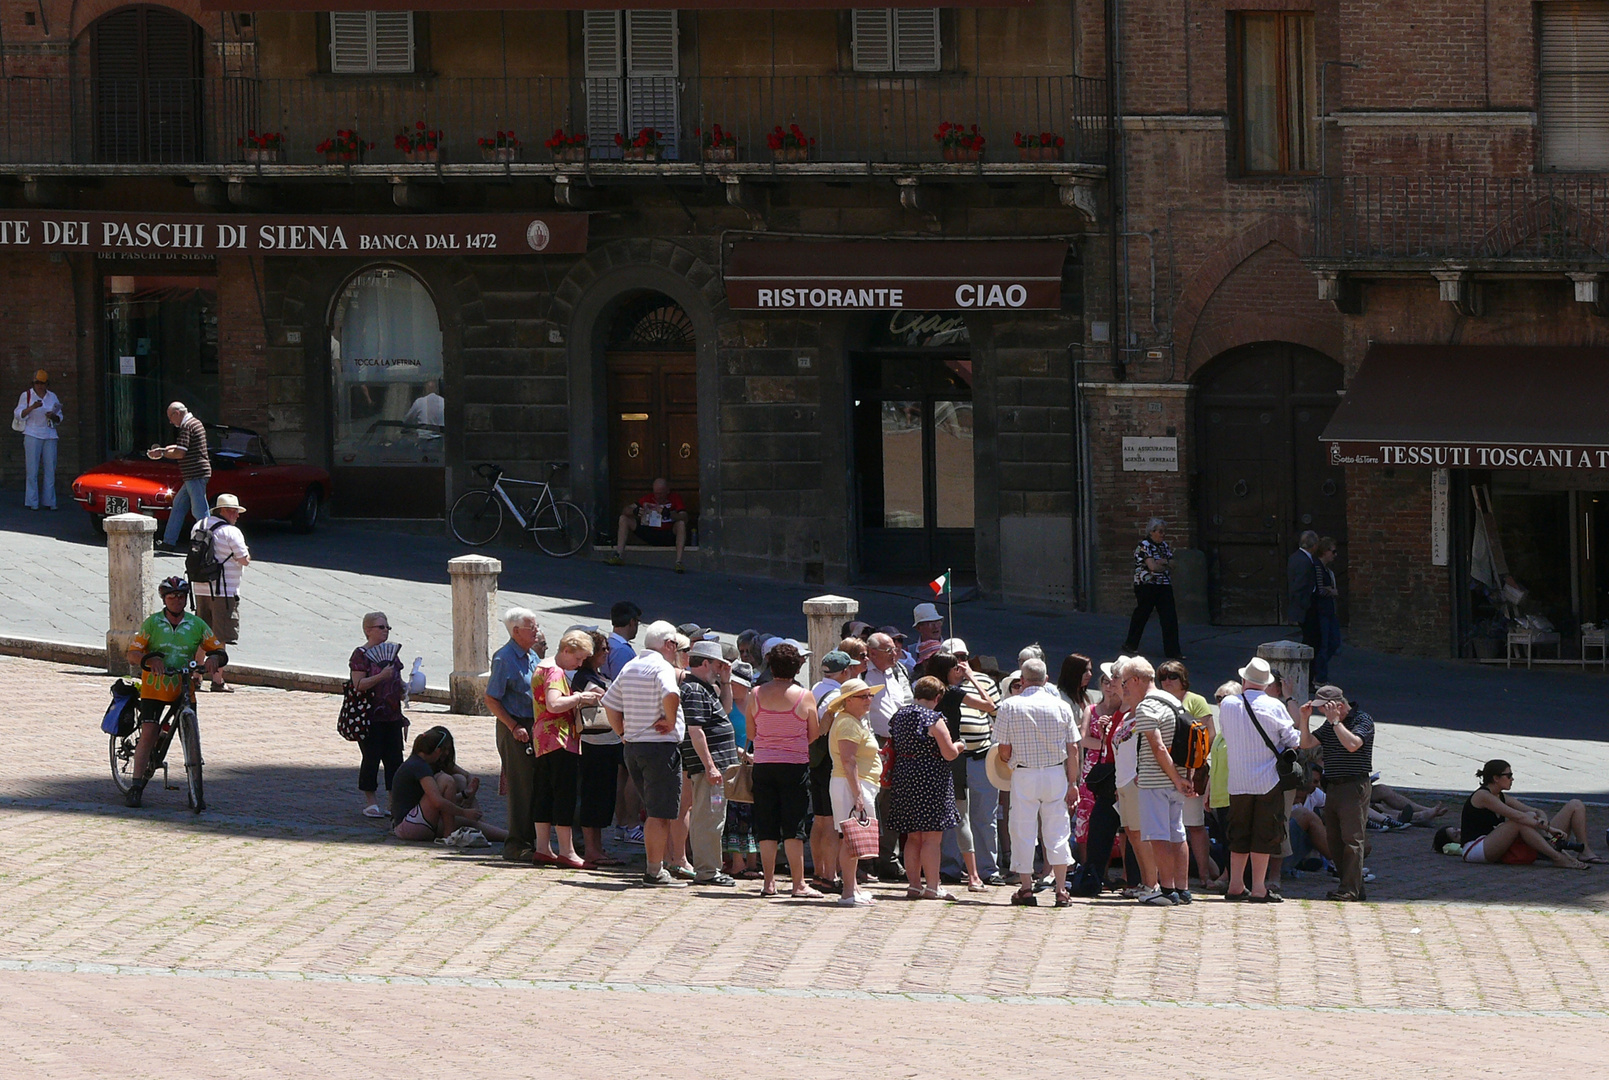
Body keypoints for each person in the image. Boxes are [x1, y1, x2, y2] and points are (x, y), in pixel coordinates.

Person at [122, 576, 227, 808]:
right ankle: (136, 786)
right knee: (149, 732)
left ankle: (195, 790)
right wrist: (150, 659)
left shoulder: (196, 624)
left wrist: (214, 658)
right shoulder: (152, 624)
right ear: (164, 599)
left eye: (181, 597)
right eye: (172, 597)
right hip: (154, 688)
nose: (177, 601)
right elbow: (132, 653)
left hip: (184, 686)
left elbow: (217, 648)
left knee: (190, 738)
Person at [601, 620, 687, 886]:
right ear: (670, 645)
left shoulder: (631, 665)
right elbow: (671, 693)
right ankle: (654, 870)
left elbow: (610, 702)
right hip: (659, 748)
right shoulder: (661, 666)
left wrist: (622, 733)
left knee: (652, 810)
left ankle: (655, 868)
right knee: (659, 814)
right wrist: (671, 720)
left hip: (635, 747)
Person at [993, 659, 1079, 907]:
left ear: (1022, 680)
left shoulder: (1010, 705)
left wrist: (1006, 759)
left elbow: (1004, 748)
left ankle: (1026, 888)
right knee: (1058, 829)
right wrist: (1072, 782)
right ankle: (1061, 889)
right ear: (1046, 679)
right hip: (1055, 773)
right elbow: (1073, 747)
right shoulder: (1061, 706)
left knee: (1022, 829)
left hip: (1025, 773)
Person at [1217, 657, 1298, 902]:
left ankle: (1235, 885)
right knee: (1264, 834)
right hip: (1267, 781)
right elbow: (1293, 740)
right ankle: (1260, 888)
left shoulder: (1228, 704)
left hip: (1238, 781)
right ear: (1267, 684)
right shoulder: (1274, 706)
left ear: (1244, 680)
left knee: (1238, 833)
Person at [748, 642, 821, 898]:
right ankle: (798, 883)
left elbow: (751, 733)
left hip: (764, 764)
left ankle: (768, 883)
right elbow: (814, 733)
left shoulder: (755, 694)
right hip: (794, 766)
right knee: (794, 826)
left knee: (766, 826)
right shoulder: (805, 696)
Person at [1120, 656, 1195, 905]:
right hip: (1178, 779)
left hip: (1157, 780)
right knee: (1177, 833)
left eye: (1125, 683)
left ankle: (1165, 889)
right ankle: (1182, 890)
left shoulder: (1146, 707)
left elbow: (1158, 746)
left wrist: (1174, 778)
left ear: (1136, 680)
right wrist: (1184, 778)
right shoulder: (1173, 700)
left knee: (1158, 835)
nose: (1124, 688)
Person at [885, 675, 964, 901]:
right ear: (938, 697)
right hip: (931, 779)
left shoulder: (900, 715)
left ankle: (913, 885)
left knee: (913, 836)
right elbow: (948, 753)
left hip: (905, 776)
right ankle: (932, 886)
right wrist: (960, 745)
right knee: (931, 838)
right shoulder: (933, 717)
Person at [528, 629, 602, 867]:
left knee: (544, 792)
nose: (580, 664)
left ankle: (542, 848)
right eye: (578, 658)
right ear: (566, 650)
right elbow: (554, 703)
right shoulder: (556, 671)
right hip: (558, 738)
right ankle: (567, 851)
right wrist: (581, 697)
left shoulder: (542, 666)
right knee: (564, 794)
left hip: (541, 738)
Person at [927, 651, 998, 891]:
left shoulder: (924, 690)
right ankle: (974, 876)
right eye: (955, 668)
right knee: (962, 816)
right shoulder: (953, 692)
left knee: (928, 820)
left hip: (927, 758)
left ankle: (926, 877)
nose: (960, 672)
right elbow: (989, 705)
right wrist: (973, 677)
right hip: (953, 757)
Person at [1297, 683, 1374, 901]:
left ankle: (1350, 889)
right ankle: (1351, 886)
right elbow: (1306, 743)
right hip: (1333, 786)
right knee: (1334, 840)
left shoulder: (1362, 720)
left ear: (1338, 705)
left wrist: (1336, 723)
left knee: (1352, 839)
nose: (1322, 711)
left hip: (1353, 785)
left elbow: (1353, 744)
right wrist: (1304, 719)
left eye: (1325, 707)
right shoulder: (1329, 724)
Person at [1444, 760, 1597, 869]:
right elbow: (1518, 817)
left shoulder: (1501, 796)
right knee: (1519, 822)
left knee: (1575, 804)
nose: (1512, 779)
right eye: (1508, 775)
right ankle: (1558, 857)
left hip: (1498, 843)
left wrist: (1543, 822)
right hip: (1475, 849)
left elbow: (1535, 811)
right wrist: (1549, 829)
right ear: (1496, 778)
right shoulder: (1482, 796)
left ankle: (1583, 851)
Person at [677, 640, 739, 886]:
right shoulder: (693, 690)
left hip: (714, 767)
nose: (720, 669)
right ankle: (707, 870)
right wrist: (711, 766)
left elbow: (726, 709)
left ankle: (709, 868)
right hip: (708, 768)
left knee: (713, 817)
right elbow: (695, 731)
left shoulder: (704, 688)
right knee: (708, 818)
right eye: (717, 664)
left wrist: (725, 682)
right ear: (705, 663)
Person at [945, 638, 1005, 885]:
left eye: (963, 657)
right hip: (952, 758)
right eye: (954, 658)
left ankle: (987, 869)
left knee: (984, 816)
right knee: (951, 816)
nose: (960, 663)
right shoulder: (940, 685)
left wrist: (972, 679)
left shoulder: (985, 682)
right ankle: (949, 867)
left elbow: (997, 712)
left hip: (980, 756)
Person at [484, 608, 541, 862]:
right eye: (532, 627)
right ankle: (516, 844)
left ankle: (533, 840)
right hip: (515, 727)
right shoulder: (504, 658)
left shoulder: (531, 657)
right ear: (516, 631)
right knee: (521, 787)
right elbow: (491, 698)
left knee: (536, 785)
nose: (536, 631)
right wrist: (512, 725)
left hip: (534, 725)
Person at [1157, 661, 1218, 888]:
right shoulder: (1157, 701)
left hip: (1192, 770)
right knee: (1164, 826)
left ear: (1183, 678)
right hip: (1163, 770)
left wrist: (1195, 767)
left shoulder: (1196, 701)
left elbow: (1209, 735)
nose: (1167, 681)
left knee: (1194, 825)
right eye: (1162, 677)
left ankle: (1204, 875)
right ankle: (1167, 877)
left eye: (1172, 676)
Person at [391, 727, 506, 842]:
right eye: (444, 751)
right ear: (437, 751)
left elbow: (440, 798)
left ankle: (511, 836)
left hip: (416, 822)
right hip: (410, 825)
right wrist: (463, 812)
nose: (445, 754)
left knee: (469, 822)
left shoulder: (417, 762)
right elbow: (437, 802)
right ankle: (449, 833)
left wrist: (466, 795)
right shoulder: (420, 767)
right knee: (446, 780)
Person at [864, 631, 914, 881]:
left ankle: (888, 858)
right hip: (875, 744)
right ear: (872, 653)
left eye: (895, 649)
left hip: (899, 744)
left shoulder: (899, 671)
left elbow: (907, 701)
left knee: (894, 803)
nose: (896, 654)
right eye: (889, 650)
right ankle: (867, 860)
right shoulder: (863, 673)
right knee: (872, 800)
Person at [572, 628, 625, 867]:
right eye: (603, 648)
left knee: (605, 797)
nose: (607, 652)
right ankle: (591, 849)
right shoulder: (585, 678)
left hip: (609, 743)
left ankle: (598, 847)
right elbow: (606, 699)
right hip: (594, 745)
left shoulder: (598, 675)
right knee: (594, 796)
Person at [188, 493, 251, 692]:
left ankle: (196, 677)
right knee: (219, 636)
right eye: (233, 511)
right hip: (223, 591)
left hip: (200, 586)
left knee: (201, 634)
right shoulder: (231, 532)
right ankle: (217, 680)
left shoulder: (198, 525)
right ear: (222, 511)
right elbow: (244, 559)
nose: (236, 515)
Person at [809, 649, 859, 891]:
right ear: (845, 672)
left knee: (819, 820)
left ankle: (819, 871)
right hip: (829, 762)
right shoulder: (837, 696)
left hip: (815, 762)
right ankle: (830, 875)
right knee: (830, 823)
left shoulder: (816, 688)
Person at [352, 612, 408, 819]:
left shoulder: (392, 654)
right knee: (371, 757)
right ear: (368, 630)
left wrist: (407, 688)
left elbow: (397, 682)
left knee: (395, 759)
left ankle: (394, 802)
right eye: (380, 627)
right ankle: (371, 802)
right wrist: (380, 676)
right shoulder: (361, 655)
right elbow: (358, 684)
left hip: (392, 714)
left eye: (387, 627)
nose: (385, 631)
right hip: (369, 715)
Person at [149, 402, 212, 552]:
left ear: (177, 413)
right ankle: (168, 542)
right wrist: (163, 449)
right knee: (178, 505)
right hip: (193, 474)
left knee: (200, 511)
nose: (171, 422)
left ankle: (209, 544)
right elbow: (180, 447)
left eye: (170, 417)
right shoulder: (194, 423)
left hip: (195, 474)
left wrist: (162, 454)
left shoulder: (187, 427)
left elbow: (180, 452)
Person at [1122, 517, 1183, 660]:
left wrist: (1165, 562)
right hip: (1146, 585)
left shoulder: (1164, 546)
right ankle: (1130, 644)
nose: (1163, 534)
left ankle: (1173, 651)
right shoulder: (1144, 545)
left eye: (1164, 532)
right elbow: (1152, 567)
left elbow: (1174, 564)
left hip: (1163, 584)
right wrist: (1163, 565)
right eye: (1160, 532)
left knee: (1169, 617)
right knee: (1142, 614)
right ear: (1151, 532)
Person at [609, 477, 689, 573]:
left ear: (667, 491)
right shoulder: (648, 498)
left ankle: (679, 562)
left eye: (661, 493)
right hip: (650, 531)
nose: (658, 496)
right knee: (623, 518)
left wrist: (669, 513)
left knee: (681, 524)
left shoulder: (675, 498)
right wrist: (635, 511)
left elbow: (684, 517)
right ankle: (618, 555)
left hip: (667, 533)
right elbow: (626, 510)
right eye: (656, 493)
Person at [14, 369, 62, 511]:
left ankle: (49, 501)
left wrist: (52, 415)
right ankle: (32, 501)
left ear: (47, 384)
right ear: (33, 383)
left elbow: (59, 417)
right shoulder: (27, 395)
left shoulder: (52, 396)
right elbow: (18, 414)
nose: (40, 386)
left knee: (50, 469)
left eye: (42, 383)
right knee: (32, 469)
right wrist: (32, 407)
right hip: (32, 433)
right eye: (37, 383)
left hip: (50, 433)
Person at [1287, 530, 1322, 659]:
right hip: (1306, 605)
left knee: (1311, 637)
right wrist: (1305, 604)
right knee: (1312, 639)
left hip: (1303, 603)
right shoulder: (1305, 561)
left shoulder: (1295, 557)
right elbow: (1299, 585)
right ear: (1314, 545)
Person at [1314, 537, 1342, 682]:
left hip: (1329, 611)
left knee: (1333, 643)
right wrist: (1331, 591)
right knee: (1324, 645)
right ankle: (1320, 677)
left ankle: (1319, 674)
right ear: (1325, 551)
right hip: (1322, 612)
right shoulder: (1318, 568)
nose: (1335, 555)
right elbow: (1319, 589)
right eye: (1333, 551)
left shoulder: (1327, 570)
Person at [604, 602, 641, 678]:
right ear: (632, 622)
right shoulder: (622, 650)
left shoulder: (609, 643)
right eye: (637, 621)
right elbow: (623, 682)